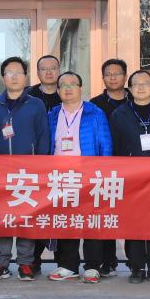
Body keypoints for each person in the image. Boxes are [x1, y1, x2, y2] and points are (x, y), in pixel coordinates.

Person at [0, 56, 49, 281]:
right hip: (0, 172)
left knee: (26, 217)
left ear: (25, 76)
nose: (14, 76)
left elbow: (43, 136)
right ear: (3, 78)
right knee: (2, 217)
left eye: (18, 72)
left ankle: (25, 263)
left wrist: (41, 166)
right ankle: (0, 263)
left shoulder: (36, 104)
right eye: (9, 73)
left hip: (28, 172)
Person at [47, 72, 113, 283]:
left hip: (89, 176)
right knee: (66, 221)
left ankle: (92, 267)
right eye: (63, 85)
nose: (68, 88)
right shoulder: (52, 114)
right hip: (60, 177)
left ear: (81, 88)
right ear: (58, 90)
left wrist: (103, 175)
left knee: (91, 221)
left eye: (72, 84)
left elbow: (105, 145)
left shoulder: (95, 113)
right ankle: (68, 265)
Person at [111, 70, 150, 284]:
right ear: (129, 88)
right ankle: (136, 267)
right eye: (136, 84)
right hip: (131, 177)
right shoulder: (120, 114)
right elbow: (116, 145)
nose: (140, 87)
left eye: (145, 83)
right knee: (134, 223)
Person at [90, 58, 129, 277]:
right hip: (103, 169)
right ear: (103, 77)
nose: (112, 77)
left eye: (117, 73)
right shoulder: (94, 105)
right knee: (105, 216)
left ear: (125, 76)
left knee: (131, 215)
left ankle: (136, 261)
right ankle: (108, 261)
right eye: (108, 74)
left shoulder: (136, 100)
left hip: (132, 168)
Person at [27, 55, 61, 274]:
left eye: (53, 68)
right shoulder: (28, 96)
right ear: (37, 72)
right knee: (35, 213)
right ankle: (33, 260)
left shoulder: (67, 92)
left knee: (61, 213)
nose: (48, 72)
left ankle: (64, 262)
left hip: (62, 166)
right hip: (35, 165)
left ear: (59, 70)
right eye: (44, 69)